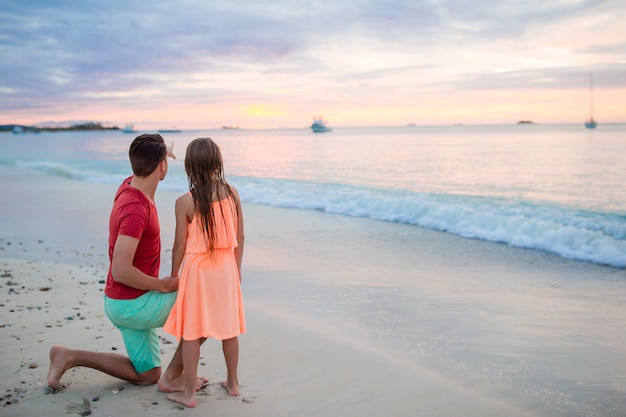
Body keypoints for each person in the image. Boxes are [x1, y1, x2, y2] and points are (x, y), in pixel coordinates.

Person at [47, 133, 190, 391]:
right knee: (201, 304)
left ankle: (68, 356)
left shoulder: (130, 183)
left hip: (121, 301)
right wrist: (163, 285)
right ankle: (177, 377)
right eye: (164, 159)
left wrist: (163, 150)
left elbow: (149, 156)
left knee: (147, 374)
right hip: (132, 304)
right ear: (162, 166)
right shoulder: (135, 209)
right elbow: (121, 270)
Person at [163, 137, 246, 408]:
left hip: (198, 271)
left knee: (191, 331)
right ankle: (233, 384)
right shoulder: (233, 193)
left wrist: (174, 274)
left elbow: (179, 245)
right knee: (229, 328)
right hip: (226, 267)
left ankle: (189, 394)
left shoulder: (185, 202)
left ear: (189, 166)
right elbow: (241, 236)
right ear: (217, 162)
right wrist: (237, 268)